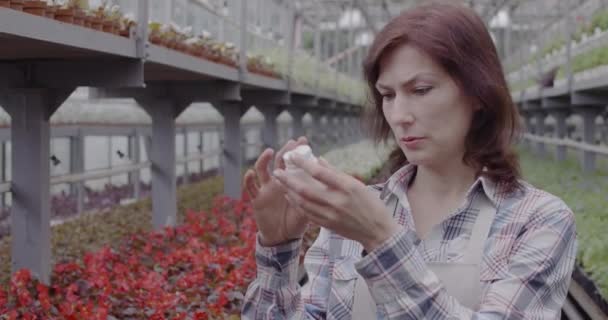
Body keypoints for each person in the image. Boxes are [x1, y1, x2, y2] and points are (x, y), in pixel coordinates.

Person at [240, 2, 577, 319]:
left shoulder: (537, 221)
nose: (399, 115)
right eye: (387, 95)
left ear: (477, 93)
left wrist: (381, 241)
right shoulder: (353, 213)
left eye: (421, 90)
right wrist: (278, 251)